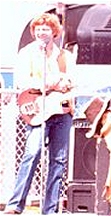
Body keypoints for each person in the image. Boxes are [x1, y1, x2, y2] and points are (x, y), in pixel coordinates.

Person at [4, 12, 76, 214]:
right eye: (38, 29)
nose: (41, 32)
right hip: (37, 112)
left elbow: (70, 82)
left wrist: (59, 83)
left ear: (54, 32)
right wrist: (51, 82)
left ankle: (50, 209)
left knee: (58, 160)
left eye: (45, 29)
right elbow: (23, 82)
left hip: (60, 112)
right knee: (32, 152)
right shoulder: (27, 54)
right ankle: (15, 205)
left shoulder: (65, 56)